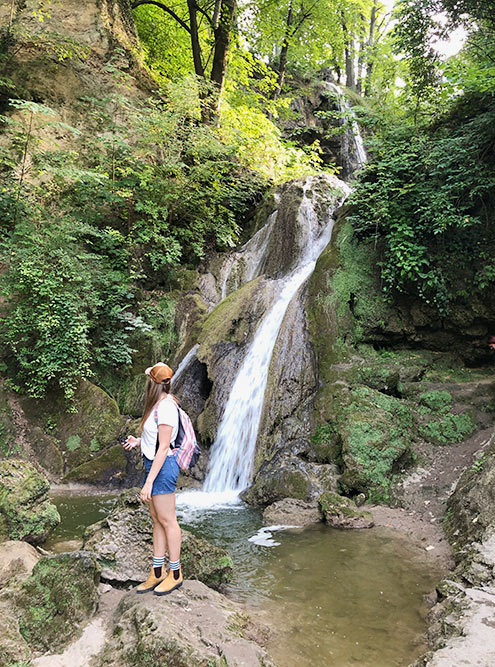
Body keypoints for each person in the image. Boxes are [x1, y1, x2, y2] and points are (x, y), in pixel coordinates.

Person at [122, 362, 183, 595]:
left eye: (149, 378)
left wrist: (148, 482)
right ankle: (157, 571)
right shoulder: (158, 405)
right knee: (157, 519)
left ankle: (175, 573)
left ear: (154, 383)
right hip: (153, 464)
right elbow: (155, 439)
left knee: (168, 520)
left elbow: (165, 446)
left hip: (163, 467)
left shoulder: (167, 407)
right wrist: (139, 442)